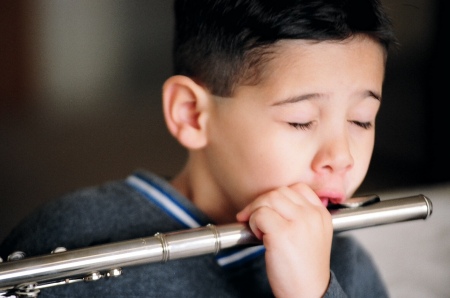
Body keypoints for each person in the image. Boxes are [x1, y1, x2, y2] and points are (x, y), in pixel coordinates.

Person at [0, 0, 398, 297]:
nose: (342, 157)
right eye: (301, 120)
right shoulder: (73, 233)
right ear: (191, 114)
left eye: (362, 119)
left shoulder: (340, 261)